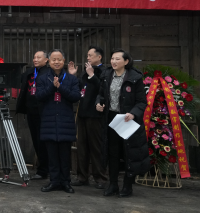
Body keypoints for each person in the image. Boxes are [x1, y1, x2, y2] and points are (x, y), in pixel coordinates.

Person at [96, 49, 150, 198]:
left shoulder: (135, 77)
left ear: (126, 61)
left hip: (128, 119)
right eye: (112, 58)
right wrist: (99, 104)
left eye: (117, 59)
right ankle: (113, 184)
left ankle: (127, 186)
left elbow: (141, 102)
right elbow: (100, 95)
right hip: (111, 119)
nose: (113, 61)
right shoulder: (106, 75)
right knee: (112, 152)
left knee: (129, 153)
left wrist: (133, 113)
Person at [35, 49, 81, 193]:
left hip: (65, 121)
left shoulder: (72, 79)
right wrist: (51, 87)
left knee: (65, 155)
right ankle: (54, 182)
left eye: (59, 59)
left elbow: (75, 97)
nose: (56, 62)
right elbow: (39, 96)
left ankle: (66, 182)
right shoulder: (42, 78)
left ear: (64, 61)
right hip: (49, 121)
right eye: (53, 59)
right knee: (52, 155)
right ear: (49, 61)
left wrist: (60, 87)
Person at [68, 46, 108, 189]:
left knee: (96, 147)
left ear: (99, 57)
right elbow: (80, 89)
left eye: (91, 56)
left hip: (96, 115)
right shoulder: (86, 72)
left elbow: (103, 90)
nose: (88, 58)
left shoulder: (104, 72)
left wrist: (92, 75)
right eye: (87, 56)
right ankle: (82, 176)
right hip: (83, 113)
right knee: (81, 147)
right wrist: (73, 76)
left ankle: (100, 178)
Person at [15, 50, 50, 180]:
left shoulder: (49, 73)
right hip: (31, 111)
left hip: (44, 112)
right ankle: (42, 169)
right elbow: (17, 80)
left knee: (43, 141)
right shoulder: (30, 72)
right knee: (36, 140)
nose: (35, 59)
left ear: (46, 60)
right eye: (34, 57)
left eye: (39, 57)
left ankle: (45, 169)